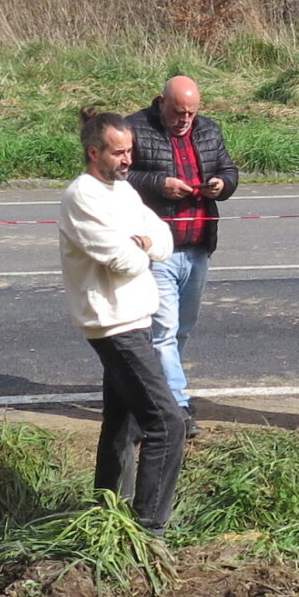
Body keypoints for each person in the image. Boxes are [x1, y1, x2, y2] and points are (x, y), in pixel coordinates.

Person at [57, 111, 184, 531]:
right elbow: (121, 260)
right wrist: (142, 247)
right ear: (94, 153)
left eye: (130, 150)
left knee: (121, 425)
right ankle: (150, 528)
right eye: (118, 152)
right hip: (113, 326)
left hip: (137, 319)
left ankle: (106, 514)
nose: (128, 159)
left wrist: (144, 243)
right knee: (167, 424)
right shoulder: (82, 196)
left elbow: (164, 237)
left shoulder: (125, 192)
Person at [124, 75, 240, 436]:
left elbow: (230, 170)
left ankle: (154, 396)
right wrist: (160, 185)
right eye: (178, 112)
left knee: (182, 329)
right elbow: (120, 177)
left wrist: (222, 185)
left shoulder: (209, 131)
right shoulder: (134, 128)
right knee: (164, 330)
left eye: (191, 112)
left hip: (198, 246)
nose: (184, 119)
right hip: (158, 249)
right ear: (162, 102)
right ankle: (176, 405)